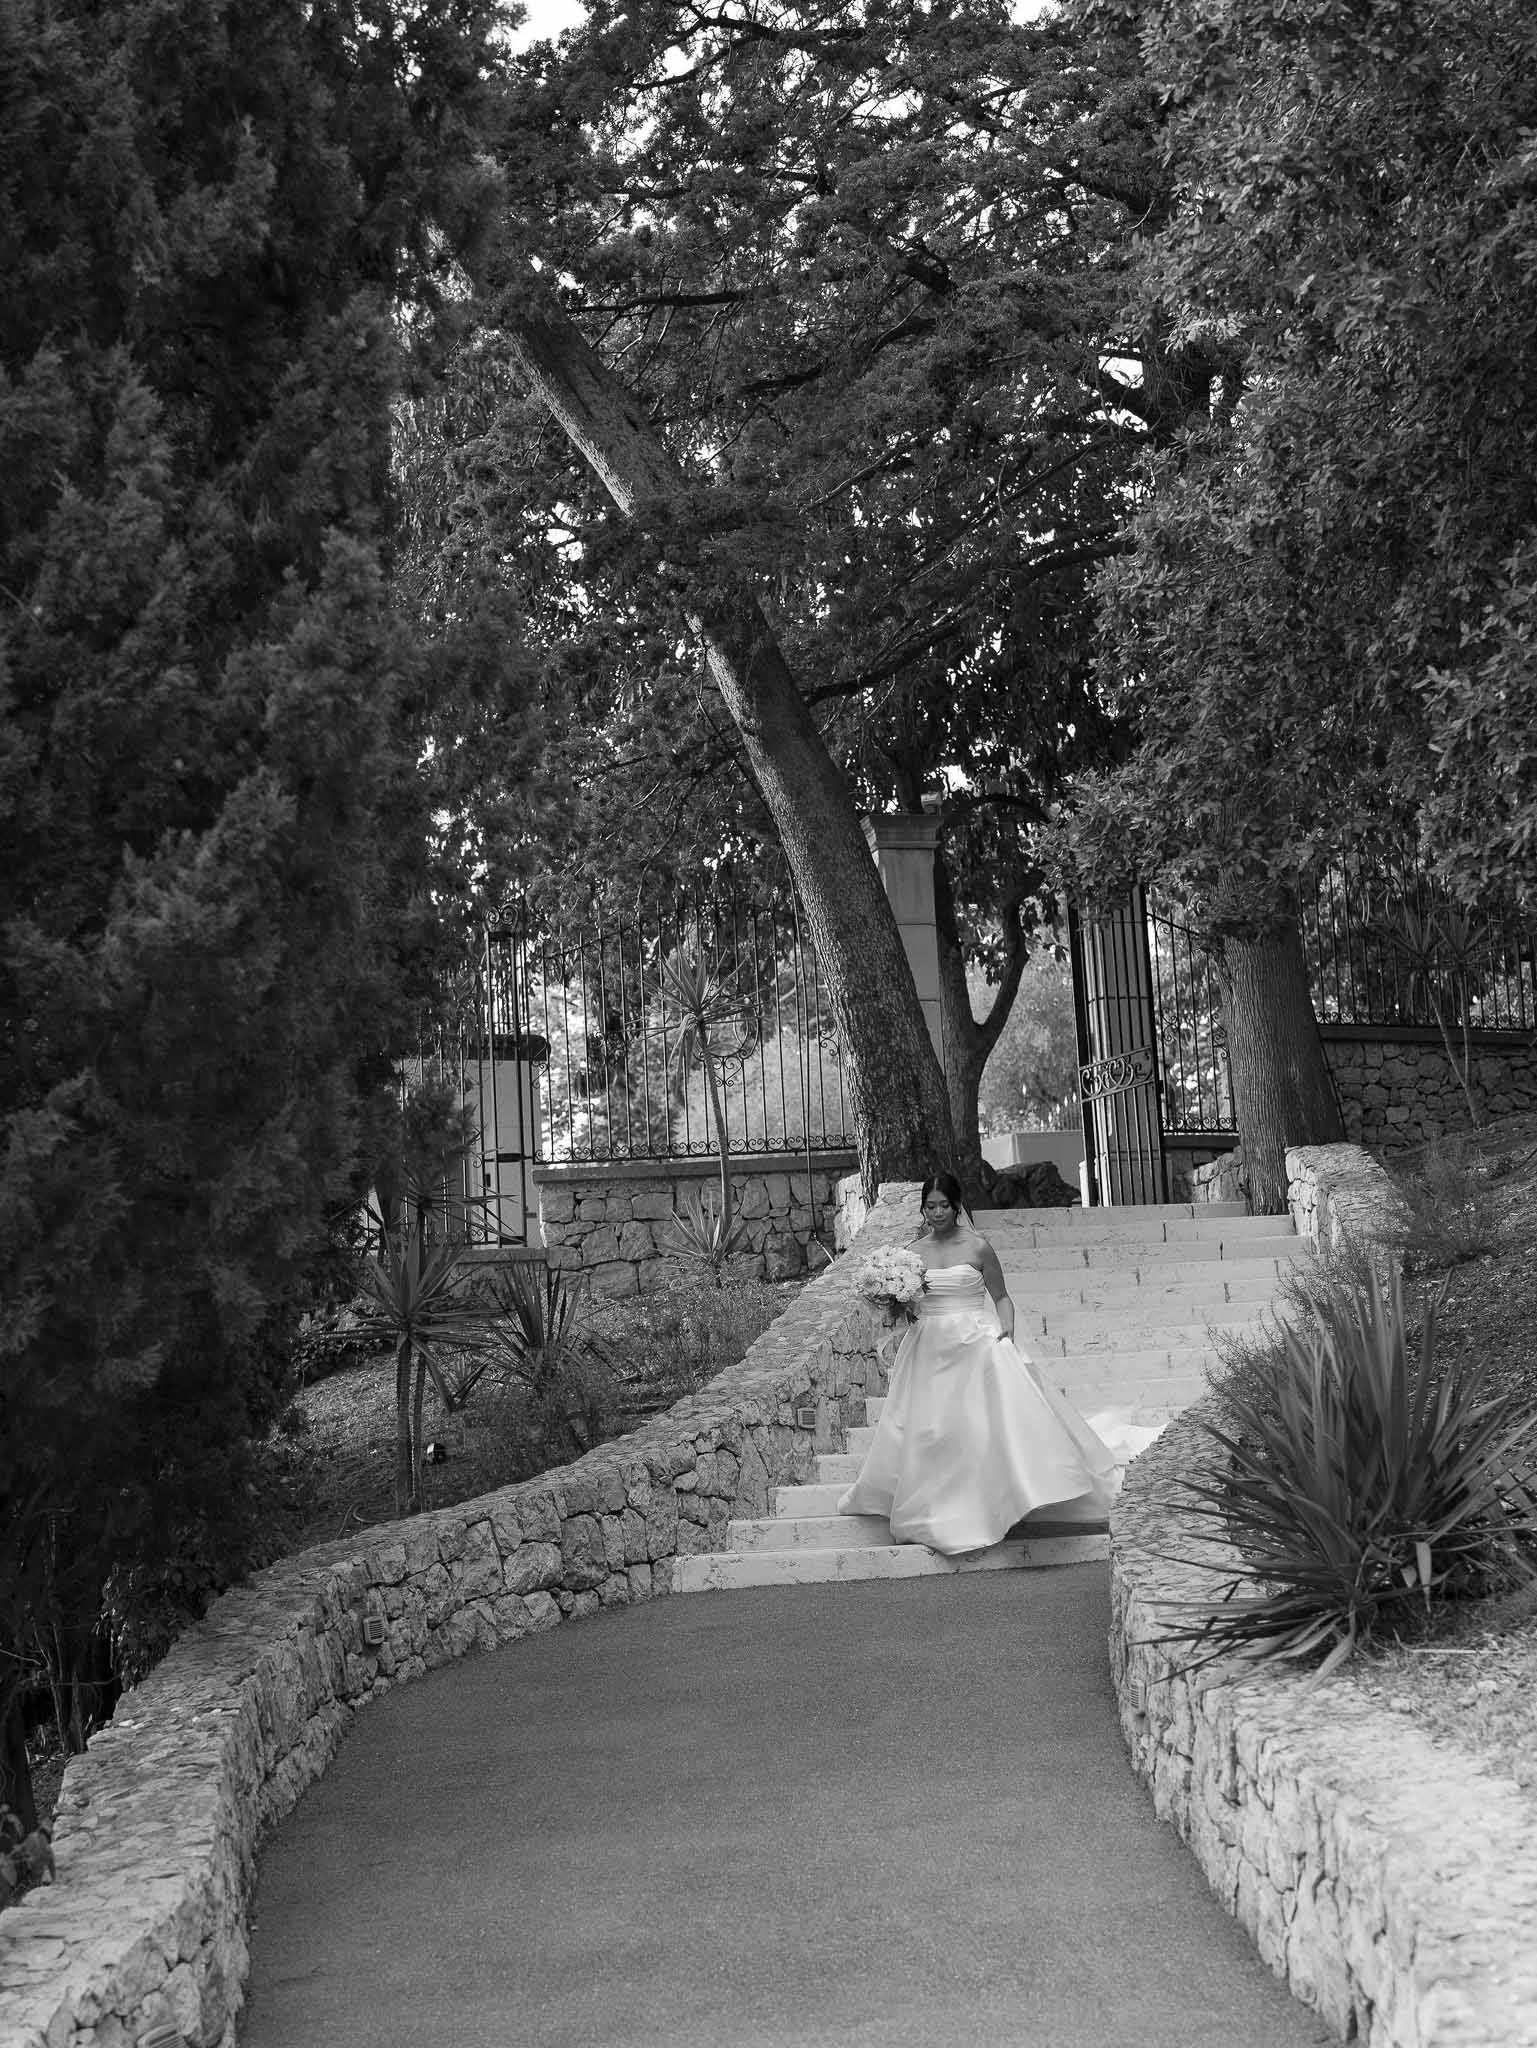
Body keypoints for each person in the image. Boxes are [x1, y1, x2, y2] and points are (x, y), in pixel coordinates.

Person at [837, 1170, 1121, 1558]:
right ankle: (932, 1507)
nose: (937, 1212)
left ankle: (994, 1502)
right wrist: (893, 1300)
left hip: (975, 1341)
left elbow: (1002, 1297)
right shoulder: (911, 1254)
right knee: (931, 1430)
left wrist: (1006, 1328)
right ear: (923, 1208)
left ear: (957, 1207)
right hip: (929, 1347)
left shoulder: (979, 1247)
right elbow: (910, 1310)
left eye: (944, 1205)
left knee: (980, 1426)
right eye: (930, 1206)